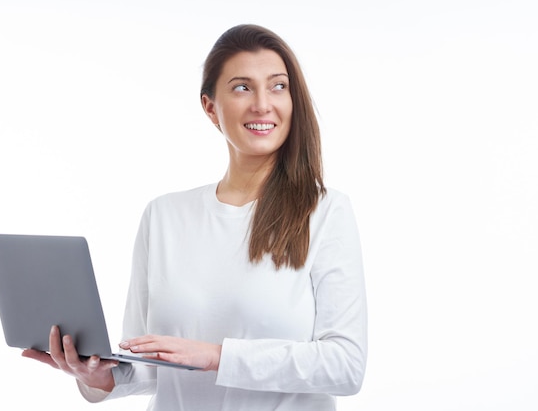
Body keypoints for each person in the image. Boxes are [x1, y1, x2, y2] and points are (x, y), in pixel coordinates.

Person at [23, 23, 367, 410]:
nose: (262, 104)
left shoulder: (325, 212)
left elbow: (346, 366)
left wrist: (218, 357)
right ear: (210, 107)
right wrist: (98, 376)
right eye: (241, 87)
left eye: (277, 86)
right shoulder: (164, 216)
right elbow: (147, 363)